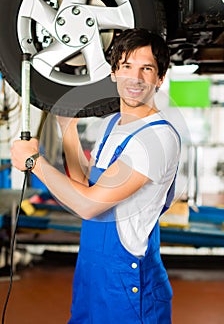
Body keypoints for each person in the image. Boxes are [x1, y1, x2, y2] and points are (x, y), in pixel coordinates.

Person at [11, 28, 181, 323]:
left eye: (147, 69)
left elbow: (89, 205)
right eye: (127, 66)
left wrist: (35, 163)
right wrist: (67, 130)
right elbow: (83, 191)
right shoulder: (113, 124)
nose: (135, 78)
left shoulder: (155, 140)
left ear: (160, 78)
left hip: (129, 285)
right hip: (92, 274)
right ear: (114, 72)